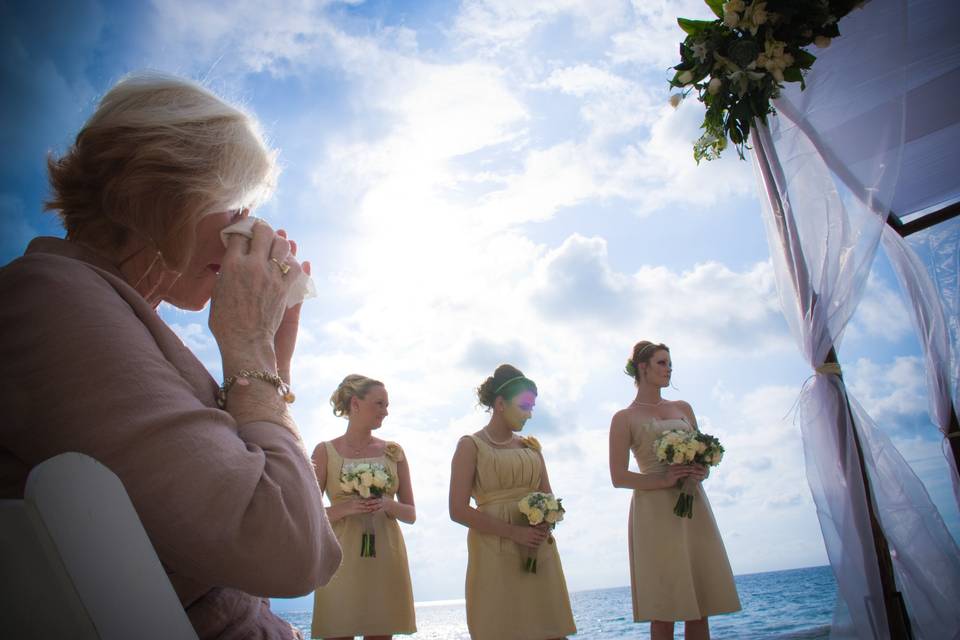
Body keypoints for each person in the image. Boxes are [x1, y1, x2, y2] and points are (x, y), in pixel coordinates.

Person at [0, 72, 342, 639]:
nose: (247, 229)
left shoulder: (109, 313)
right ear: (162, 190)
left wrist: (271, 370)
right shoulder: (51, 298)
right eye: (236, 205)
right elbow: (290, 550)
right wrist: (250, 349)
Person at [608, 341, 741, 640]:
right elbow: (618, 477)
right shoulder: (623, 418)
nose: (669, 369)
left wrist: (700, 471)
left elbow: (702, 457)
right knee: (664, 609)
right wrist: (665, 480)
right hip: (654, 512)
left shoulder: (683, 409)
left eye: (670, 363)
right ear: (643, 368)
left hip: (693, 504)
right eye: (662, 363)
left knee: (701, 604)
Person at [449, 364, 576, 640]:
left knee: (550, 630)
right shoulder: (470, 445)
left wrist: (545, 523)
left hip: (537, 548)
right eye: (524, 406)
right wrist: (514, 532)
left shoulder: (531, 448)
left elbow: (550, 499)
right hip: (494, 551)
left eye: (532, 408)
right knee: (503, 629)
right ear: (500, 403)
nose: (530, 414)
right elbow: (457, 510)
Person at [310, 374, 417, 640]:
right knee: (337, 629)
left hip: (385, 554)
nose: (386, 412)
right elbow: (308, 514)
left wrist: (387, 504)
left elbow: (411, 514)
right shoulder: (324, 452)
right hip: (339, 556)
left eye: (387, 405)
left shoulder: (394, 452)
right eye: (379, 404)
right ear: (355, 404)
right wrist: (348, 508)